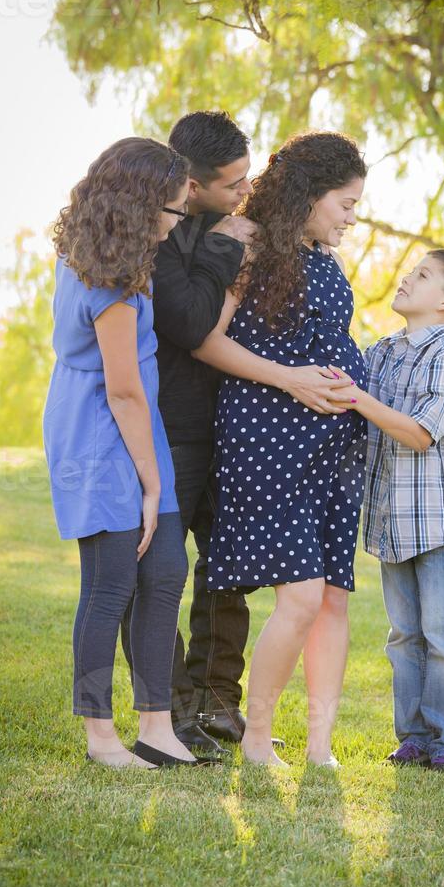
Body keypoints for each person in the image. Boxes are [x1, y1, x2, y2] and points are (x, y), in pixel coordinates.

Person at [121, 112, 354, 756]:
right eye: (233, 183)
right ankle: (162, 714)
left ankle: (215, 702)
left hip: (236, 427)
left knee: (227, 575)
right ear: (192, 186)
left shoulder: (257, 235)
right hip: (173, 426)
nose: (246, 193)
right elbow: (195, 330)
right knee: (159, 571)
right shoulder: (163, 238)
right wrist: (229, 245)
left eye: (250, 179)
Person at [43, 137, 219, 769]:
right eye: (173, 213)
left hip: (140, 434)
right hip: (102, 436)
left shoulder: (118, 255)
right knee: (111, 583)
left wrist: (153, 475)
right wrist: (150, 483)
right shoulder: (111, 276)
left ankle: (157, 728)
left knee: (166, 568)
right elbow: (121, 389)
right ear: (143, 205)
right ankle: (100, 736)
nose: (176, 227)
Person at [193, 131, 368, 767]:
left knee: (331, 599)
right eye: (345, 204)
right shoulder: (248, 245)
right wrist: (291, 379)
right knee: (298, 597)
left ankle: (320, 742)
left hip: (331, 445)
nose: (352, 217)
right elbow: (208, 342)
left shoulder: (324, 257)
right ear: (310, 193)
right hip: (269, 437)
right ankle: (258, 737)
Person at [335, 249, 444, 770]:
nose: (406, 277)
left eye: (421, 276)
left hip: (440, 520)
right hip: (392, 519)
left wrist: (355, 397)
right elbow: (356, 403)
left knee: (443, 635)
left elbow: (419, 433)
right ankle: (415, 736)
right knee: (404, 636)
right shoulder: (384, 351)